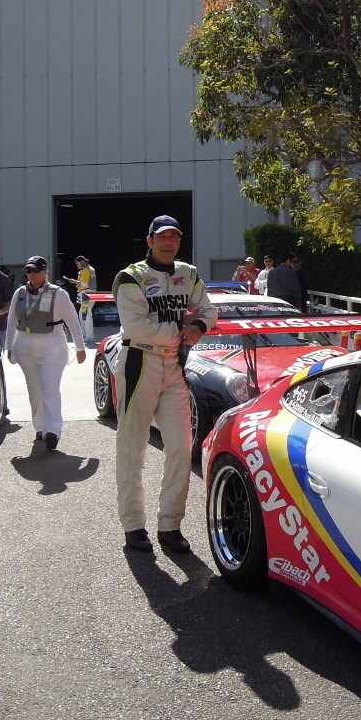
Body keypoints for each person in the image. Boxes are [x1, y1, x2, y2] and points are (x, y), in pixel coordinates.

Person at [113, 215, 218, 554]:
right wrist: (181, 329)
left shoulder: (189, 273)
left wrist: (198, 326)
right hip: (138, 361)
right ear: (150, 241)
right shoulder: (131, 276)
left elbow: (209, 311)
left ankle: (170, 524)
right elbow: (136, 327)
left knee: (181, 445)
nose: (169, 243)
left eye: (174, 237)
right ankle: (133, 525)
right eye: (162, 237)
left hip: (173, 364)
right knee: (133, 447)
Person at [6, 255, 87, 451]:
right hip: (26, 343)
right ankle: (40, 426)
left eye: (36, 270)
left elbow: (72, 320)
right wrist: (9, 346)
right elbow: (11, 320)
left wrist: (80, 347)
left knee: (49, 388)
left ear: (45, 272)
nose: (32, 275)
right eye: (29, 271)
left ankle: (53, 430)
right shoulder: (20, 293)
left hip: (52, 343)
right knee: (34, 389)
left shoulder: (58, 294)